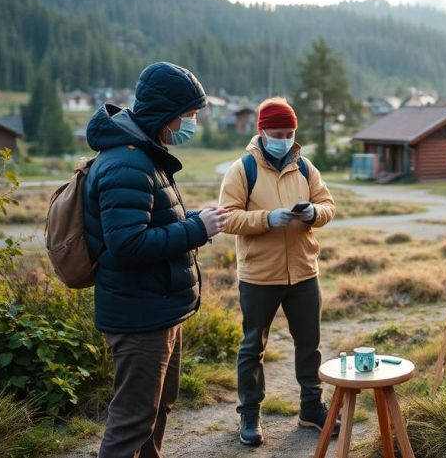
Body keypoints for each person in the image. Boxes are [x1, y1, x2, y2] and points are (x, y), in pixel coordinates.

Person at [83, 61, 229, 458]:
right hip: (139, 316)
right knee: (132, 420)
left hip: (157, 309)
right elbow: (128, 245)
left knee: (156, 409)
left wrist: (194, 219)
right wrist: (200, 230)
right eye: (190, 115)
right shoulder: (127, 162)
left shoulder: (145, 154)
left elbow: (150, 222)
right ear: (167, 114)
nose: (192, 123)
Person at [217, 97, 338, 447]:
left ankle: (311, 410)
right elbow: (227, 217)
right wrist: (267, 220)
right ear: (262, 131)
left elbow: (329, 205)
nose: (284, 138)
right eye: (277, 132)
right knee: (252, 346)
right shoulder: (242, 170)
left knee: (310, 345)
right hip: (259, 276)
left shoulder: (305, 167)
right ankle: (250, 415)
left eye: (289, 132)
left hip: (304, 272)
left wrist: (313, 213)